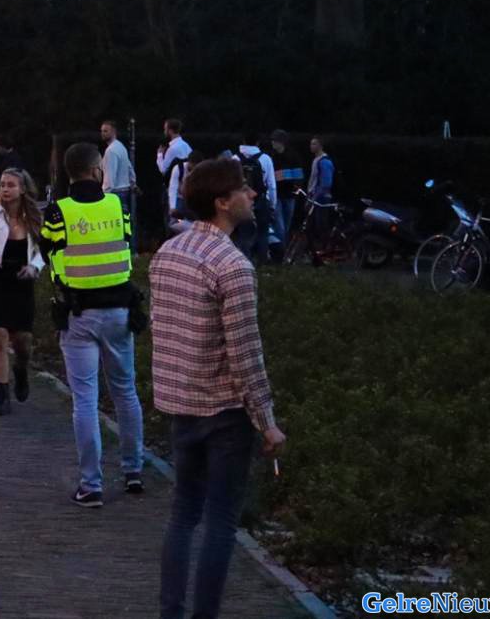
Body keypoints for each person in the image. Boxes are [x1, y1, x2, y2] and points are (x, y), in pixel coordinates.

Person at [151, 159, 287, 619]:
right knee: (221, 521)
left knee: (183, 512)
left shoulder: (167, 254)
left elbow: (162, 329)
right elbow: (247, 354)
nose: (252, 194)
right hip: (225, 412)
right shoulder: (234, 267)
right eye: (244, 189)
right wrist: (267, 423)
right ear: (222, 202)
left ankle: (171, 610)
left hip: (180, 406)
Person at [40, 142, 144, 508]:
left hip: (78, 315)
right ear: (98, 169)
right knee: (125, 392)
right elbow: (128, 243)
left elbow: (49, 254)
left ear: (69, 172)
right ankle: (134, 472)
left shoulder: (57, 213)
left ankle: (91, 485)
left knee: (85, 400)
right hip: (119, 311)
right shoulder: (117, 206)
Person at [0, 168, 45, 416]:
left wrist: (34, 267)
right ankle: (2, 393)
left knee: (23, 341)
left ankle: (21, 370)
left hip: (21, 282)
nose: (5, 189)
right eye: (2, 184)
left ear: (22, 189)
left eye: (11, 185)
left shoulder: (34, 217)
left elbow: (43, 251)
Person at [234, 132, 277, 265]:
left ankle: (244, 265)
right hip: (261, 200)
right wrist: (272, 205)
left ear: (243, 140)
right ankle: (263, 266)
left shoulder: (235, 159)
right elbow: (271, 185)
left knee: (243, 235)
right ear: (258, 142)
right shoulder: (266, 159)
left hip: (241, 202)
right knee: (263, 234)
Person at [269, 130, 305, 242]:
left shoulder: (293, 156)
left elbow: (298, 175)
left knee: (286, 224)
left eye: (274, 140)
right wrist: (285, 175)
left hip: (290, 195)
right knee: (280, 225)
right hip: (277, 195)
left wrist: (281, 175)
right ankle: (281, 252)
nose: (272, 143)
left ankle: (282, 249)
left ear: (281, 142)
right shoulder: (271, 156)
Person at [157, 119, 193, 224]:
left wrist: (159, 155)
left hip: (172, 189)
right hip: (186, 189)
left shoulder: (172, 149)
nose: (164, 132)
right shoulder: (187, 146)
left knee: (171, 222)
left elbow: (163, 169)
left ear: (170, 131)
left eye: (165, 129)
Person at [101, 120, 136, 217]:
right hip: (124, 191)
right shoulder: (121, 147)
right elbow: (129, 168)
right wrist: (133, 182)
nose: (102, 134)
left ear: (113, 132)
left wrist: (104, 194)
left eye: (106, 131)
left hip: (115, 193)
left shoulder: (111, 151)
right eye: (102, 131)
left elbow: (110, 176)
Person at [307, 135, 334, 203]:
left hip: (321, 197)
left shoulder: (324, 161)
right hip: (312, 195)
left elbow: (326, 183)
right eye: (311, 144)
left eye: (314, 144)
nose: (311, 146)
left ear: (320, 146)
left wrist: (316, 196)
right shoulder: (315, 160)